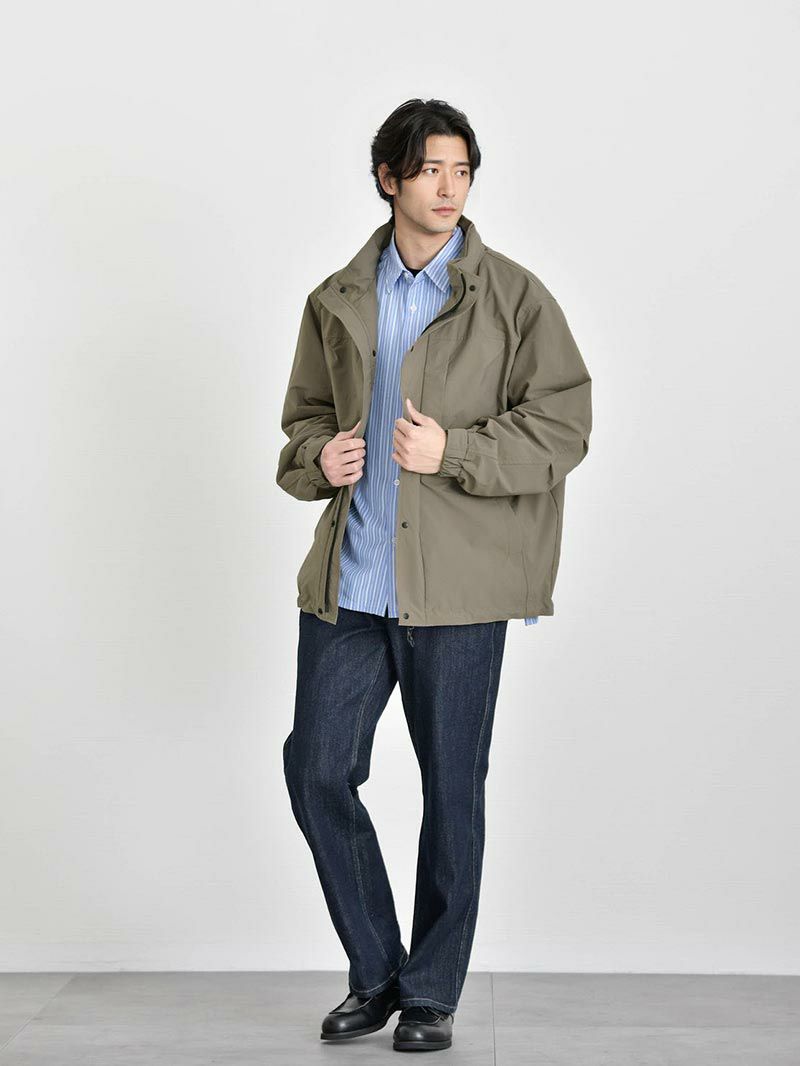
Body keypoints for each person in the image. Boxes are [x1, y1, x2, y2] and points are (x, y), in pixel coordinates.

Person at [276, 97, 592, 1053]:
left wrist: (454, 450)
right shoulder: (337, 298)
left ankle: (431, 993)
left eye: (462, 171)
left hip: (459, 593)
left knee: (453, 792)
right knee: (316, 769)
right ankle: (378, 971)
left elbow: (563, 426)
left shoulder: (515, 298)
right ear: (389, 179)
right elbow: (301, 424)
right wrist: (318, 456)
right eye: (429, 170)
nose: (449, 188)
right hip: (352, 583)